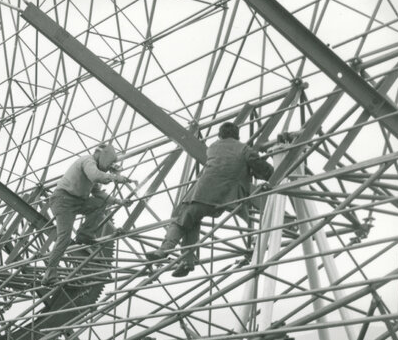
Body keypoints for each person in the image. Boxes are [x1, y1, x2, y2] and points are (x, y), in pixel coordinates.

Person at [148, 122, 274, 277]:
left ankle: (165, 250)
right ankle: (187, 261)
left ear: (220, 135)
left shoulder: (213, 148)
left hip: (203, 194)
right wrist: (273, 175)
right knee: (192, 220)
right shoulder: (244, 149)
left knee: (181, 220)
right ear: (237, 135)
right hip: (229, 197)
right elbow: (260, 166)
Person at [42, 142, 133, 284]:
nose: (110, 165)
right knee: (64, 238)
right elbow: (96, 176)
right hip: (63, 201)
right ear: (101, 154)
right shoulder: (88, 161)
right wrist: (115, 177)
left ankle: (85, 234)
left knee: (99, 204)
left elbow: (99, 193)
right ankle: (49, 273)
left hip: (76, 201)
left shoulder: (94, 168)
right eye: (109, 162)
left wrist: (119, 201)